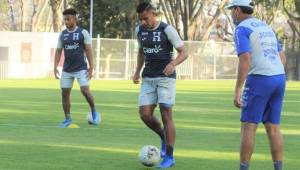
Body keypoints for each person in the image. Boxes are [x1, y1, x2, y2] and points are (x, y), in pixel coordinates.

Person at [225, 0, 286, 170]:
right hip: (279, 78)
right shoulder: (266, 27)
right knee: (273, 127)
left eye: (232, 10)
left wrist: (238, 90)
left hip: (260, 79)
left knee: (248, 127)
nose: (231, 14)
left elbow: (245, 58)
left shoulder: (241, 28)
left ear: (237, 10)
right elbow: (282, 57)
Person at [133, 2, 187, 168]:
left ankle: (169, 157)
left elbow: (184, 52)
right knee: (145, 115)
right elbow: (141, 51)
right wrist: (136, 71)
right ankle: (163, 136)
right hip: (148, 78)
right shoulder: (139, 30)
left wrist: (173, 64)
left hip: (166, 78)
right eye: (141, 19)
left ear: (152, 13)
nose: (144, 22)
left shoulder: (167, 29)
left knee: (166, 112)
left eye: (146, 18)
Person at [54, 8, 100, 128]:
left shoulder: (83, 33)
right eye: (64, 19)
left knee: (85, 91)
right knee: (65, 94)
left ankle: (94, 111)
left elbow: (89, 50)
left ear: (75, 18)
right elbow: (58, 51)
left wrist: (91, 67)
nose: (66, 21)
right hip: (67, 70)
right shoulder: (62, 35)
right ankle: (67, 119)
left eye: (68, 19)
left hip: (81, 69)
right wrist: (55, 66)